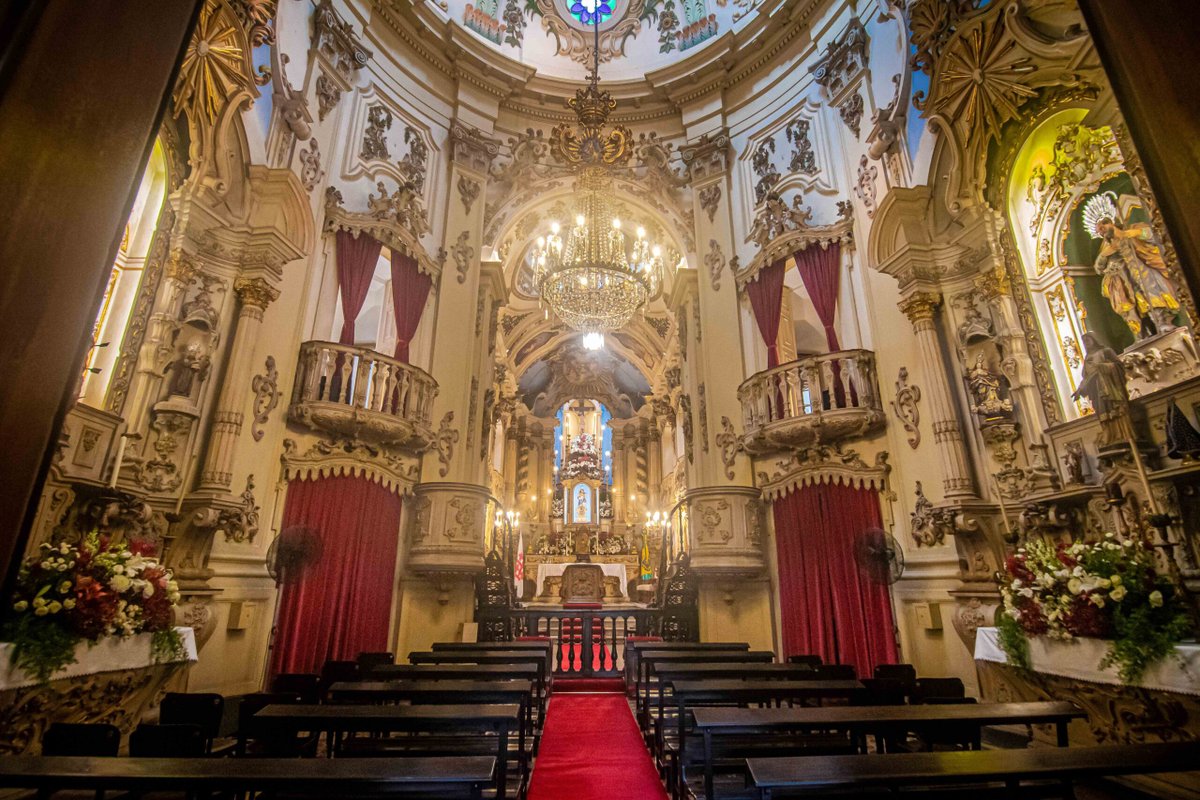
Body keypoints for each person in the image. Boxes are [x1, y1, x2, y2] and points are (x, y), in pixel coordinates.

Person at [1094, 217, 1180, 339]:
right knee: (1137, 305)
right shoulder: (1107, 246)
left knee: (1153, 294)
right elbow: (1098, 268)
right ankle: (1147, 332)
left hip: (1143, 269)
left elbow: (1155, 235)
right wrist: (1105, 255)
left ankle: (1163, 322)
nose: (1102, 233)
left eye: (1102, 228)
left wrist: (1136, 233)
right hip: (1126, 279)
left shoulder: (1132, 229)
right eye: (1099, 232)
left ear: (1110, 223)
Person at [1072, 332, 1135, 448]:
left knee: (1115, 410)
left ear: (1094, 339)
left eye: (1088, 340)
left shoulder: (1106, 351)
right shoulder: (1086, 359)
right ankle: (1111, 436)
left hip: (1110, 387)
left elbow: (1119, 366)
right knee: (1103, 414)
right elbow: (1086, 377)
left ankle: (1123, 434)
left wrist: (1103, 367)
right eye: (1084, 342)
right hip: (1096, 391)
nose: (1086, 344)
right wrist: (1079, 390)